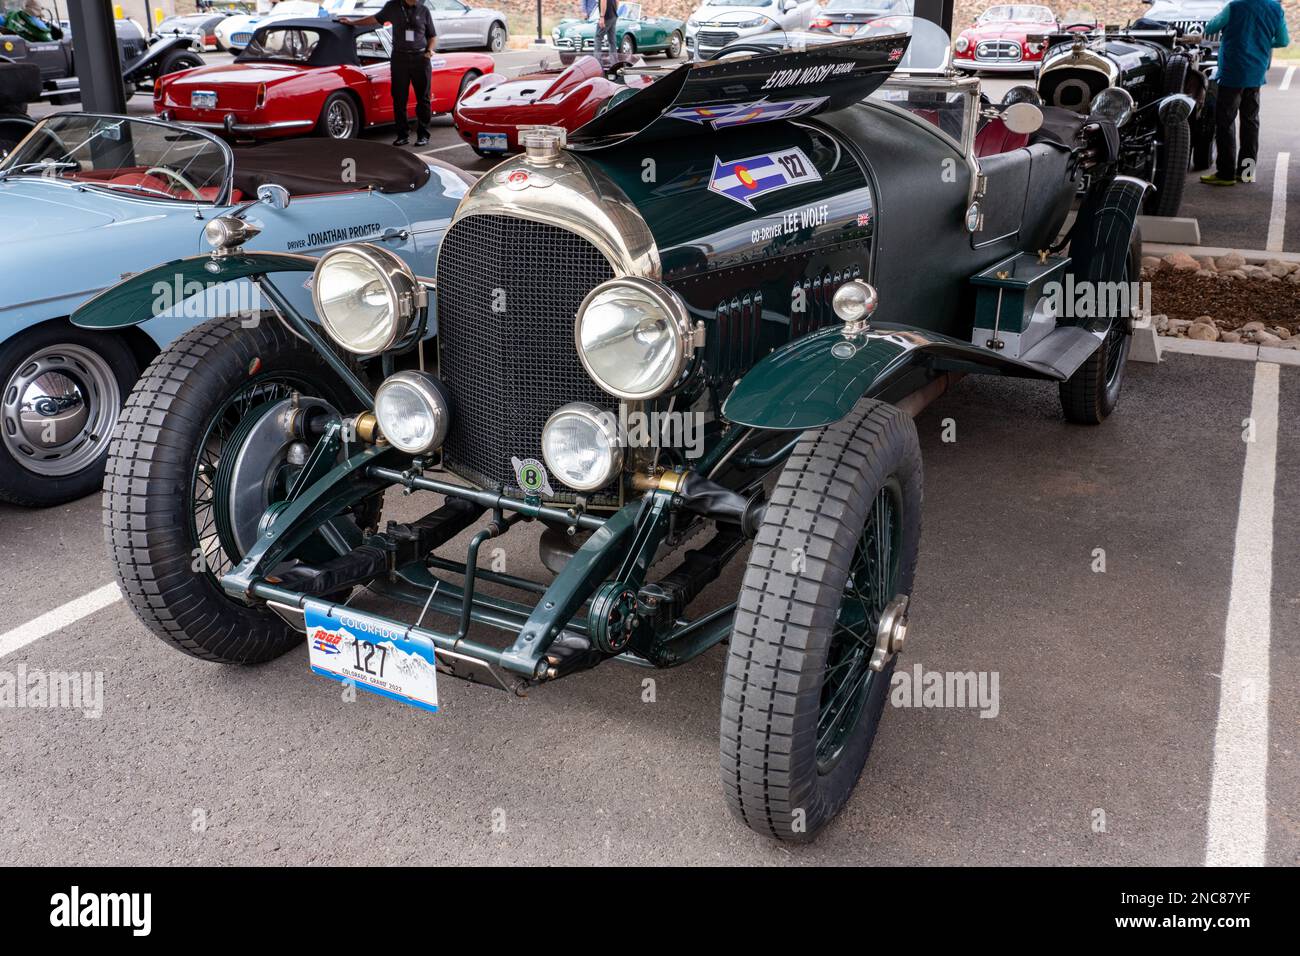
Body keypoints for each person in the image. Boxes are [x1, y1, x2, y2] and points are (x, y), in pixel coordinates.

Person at [1200, 0, 1289, 186]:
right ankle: (1247, 172)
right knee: (1251, 122)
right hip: (1256, 73)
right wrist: (1263, 41)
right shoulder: (1275, 8)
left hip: (1232, 71)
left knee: (1225, 122)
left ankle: (1225, 173)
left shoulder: (1235, 6)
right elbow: (1283, 40)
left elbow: (1210, 28)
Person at [341, 0, 437, 147]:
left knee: (423, 99)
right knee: (399, 98)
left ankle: (423, 135)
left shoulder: (424, 10)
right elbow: (374, 18)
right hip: (400, 58)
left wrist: (429, 51)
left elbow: (432, 36)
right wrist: (353, 23)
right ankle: (402, 135)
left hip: (420, 59)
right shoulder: (392, 7)